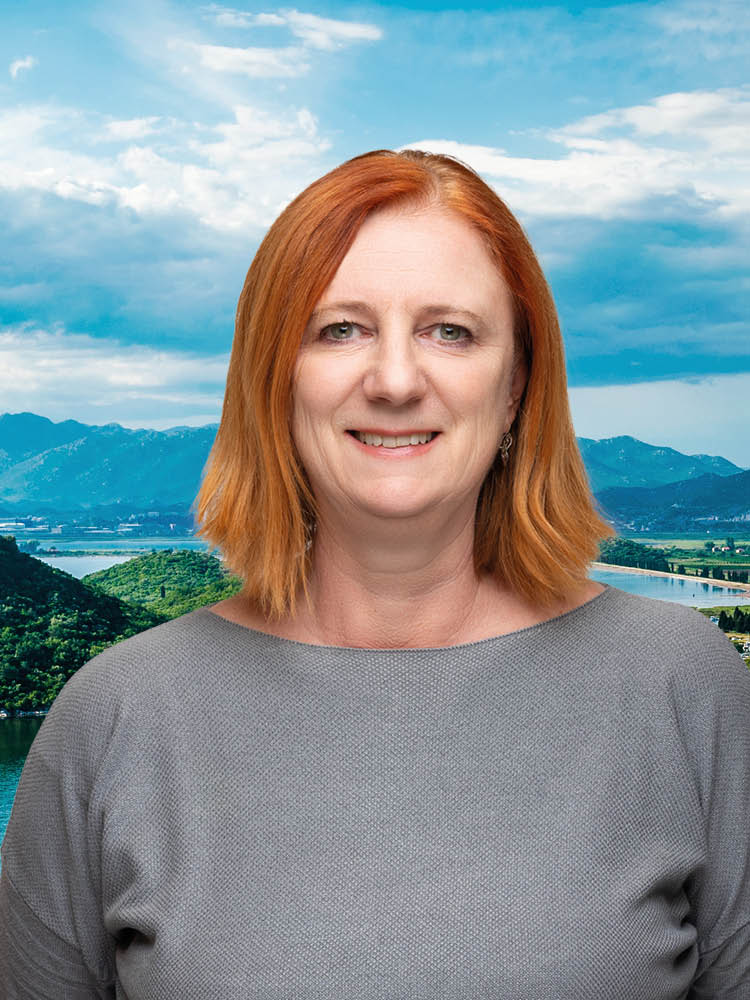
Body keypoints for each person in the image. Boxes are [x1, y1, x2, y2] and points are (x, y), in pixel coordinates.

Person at [1, 149, 748, 999]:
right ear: (274, 381)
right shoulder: (114, 718)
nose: (395, 381)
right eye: (340, 329)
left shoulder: (682, 686)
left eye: (450, 330)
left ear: (516, 385)